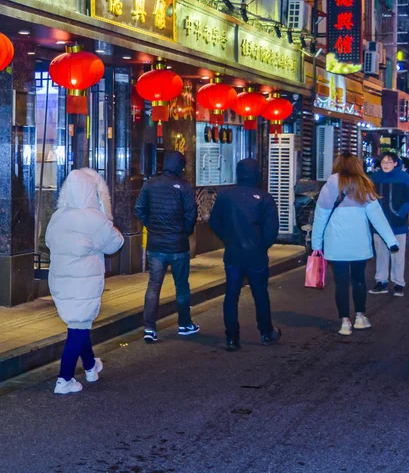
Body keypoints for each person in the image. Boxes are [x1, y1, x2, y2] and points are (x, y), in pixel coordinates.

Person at [46, 169, 124, 395]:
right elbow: (114, 243)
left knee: (79, 323)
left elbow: (49, 242)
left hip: (61, 280)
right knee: (78, 328)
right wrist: (106, 217)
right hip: (84, 281)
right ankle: (64, 379)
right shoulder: (94, 218)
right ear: (92, 191)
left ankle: (90, 366)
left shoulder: (58, 216)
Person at [312, 153, 398, 336]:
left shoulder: (329, 187)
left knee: (341, 283)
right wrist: (391, 241)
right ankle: (360, 317)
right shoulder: (364, 185)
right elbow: (377, 217)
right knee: (359, 280)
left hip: (336, 243)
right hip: (359, 243)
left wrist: (316, 245)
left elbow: (320, 217)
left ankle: (344, 322)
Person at [209, 158, 281, 351]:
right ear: (257, 174)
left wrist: (228, 239)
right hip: (256, 254)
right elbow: (272, 230)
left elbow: (214, 221)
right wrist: (261, 245)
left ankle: (232, 337)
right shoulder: (264, 198)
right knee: (260, 293)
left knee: (231, 295)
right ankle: (266, 332)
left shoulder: (226, 196)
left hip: (233, 253)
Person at [135, 151, 199, 342]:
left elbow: (139, 208)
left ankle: (149, 328)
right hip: (178, 245)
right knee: (181, 287)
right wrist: (184, 231)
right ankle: (185, 324)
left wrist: (152, 225)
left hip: (156, 245)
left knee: (154, 286)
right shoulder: (185, 187)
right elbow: (190, 215)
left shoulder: (150, 184)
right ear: (179, 166)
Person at [370, 152, 409, 297]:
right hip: (378, 223)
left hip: (397, 223)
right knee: (381, 254)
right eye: (383, 162)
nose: (386, 164)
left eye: (389, 162)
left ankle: (398, 283)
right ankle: (381, 281)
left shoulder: (405, 177)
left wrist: (400, 214)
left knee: (398, 254)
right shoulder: (375, 178)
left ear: (396, 163)